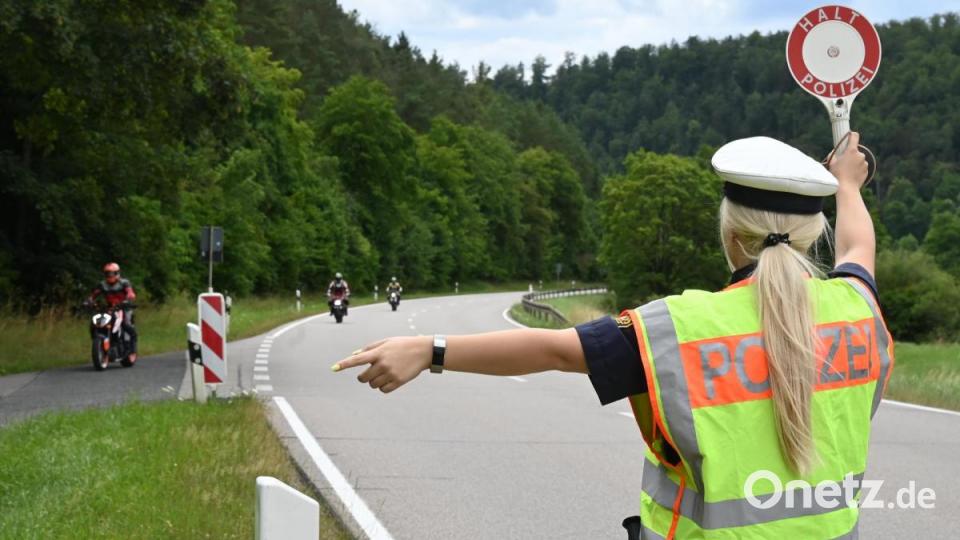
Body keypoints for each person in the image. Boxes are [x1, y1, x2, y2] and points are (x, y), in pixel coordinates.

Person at [332, 133, 891, 539]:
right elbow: (858, 249)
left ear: (730, 234)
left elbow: (553, 349)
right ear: (812, 234)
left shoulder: (675, 328)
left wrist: (430, 349)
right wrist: (846, 184)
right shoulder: (856, 310)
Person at [85, 262, 138, 359]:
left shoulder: (124, 283)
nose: (110, 276)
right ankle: (99, 341)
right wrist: (88, 301)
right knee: (96, 323)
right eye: (107, 273)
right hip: (109, 308)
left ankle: (131, 348)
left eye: (112, 273)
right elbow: (93, 295)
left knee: (125, 324)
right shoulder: (102, 284)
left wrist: (129, 298)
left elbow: (130, 292)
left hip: (123, 307)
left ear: (117, 273)